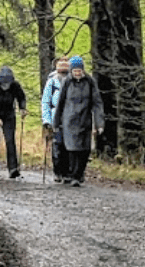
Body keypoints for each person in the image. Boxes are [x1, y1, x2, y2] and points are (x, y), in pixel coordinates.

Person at [53, 55, 105, 186]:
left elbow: (97, 103)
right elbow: (60, 102)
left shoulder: (90, 82)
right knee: (71, 148)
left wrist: (99, 123)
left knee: (84, 150)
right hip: (69, 120)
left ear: (83, 70)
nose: (77, 73)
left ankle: (78, 174)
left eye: (79, 71)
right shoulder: (67, 82)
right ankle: (73, 176)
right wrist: (56, 122)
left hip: (84, 120)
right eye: (74, 71)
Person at [0, 65, 28, 180]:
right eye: (4, 84)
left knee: (10, 140)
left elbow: (21, 97)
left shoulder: (15, 86)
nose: (5, 86)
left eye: (7, 84)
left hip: (8, 114)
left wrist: (22, 108)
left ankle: (13, 169)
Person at [41, 56, 71, 183]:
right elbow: (46, 101)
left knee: (69, 146)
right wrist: (46, 120)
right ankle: (58, 171)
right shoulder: (52, 82)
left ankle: (68, 172)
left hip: (70, 117)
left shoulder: (73, 81)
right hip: (55, 118)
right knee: (58, 145)